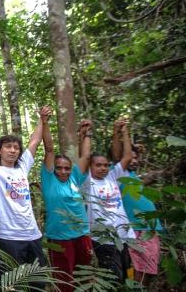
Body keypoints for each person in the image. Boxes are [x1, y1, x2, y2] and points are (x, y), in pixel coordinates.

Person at [0, 107, 48, 270]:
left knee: (37, 282)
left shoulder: (22, 167)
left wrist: (42, 119)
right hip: (7, 237)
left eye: (16, 147)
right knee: (10, 284)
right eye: (8, 146)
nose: (13, 150)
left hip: (33, 235)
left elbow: (35, 141)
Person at [41, 116, 93, 292]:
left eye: (66, 168)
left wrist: (86, 133)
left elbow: (86, 155)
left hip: (82, 235)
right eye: (59, 167)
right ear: (53, 168)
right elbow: (49, 149)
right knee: (64, 283)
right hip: (59, 238)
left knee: (84, 278)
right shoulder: (49, 179)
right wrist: (45, 122)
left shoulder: (75, 178)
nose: (63, 171)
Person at [83, 119, 135, 283]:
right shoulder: (87, 182)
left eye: (105, 165)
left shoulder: (113, 177)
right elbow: (84, 157)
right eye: (98, 165)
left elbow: (126, 156)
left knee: (129, 274)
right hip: (104, 239)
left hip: (125, 235)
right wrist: (86, 134)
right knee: (114, 278)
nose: (103, 168)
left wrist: (123, 131)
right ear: (91, 167)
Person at [112, 124, 163, 287]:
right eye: (130, 158)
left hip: (150, 227)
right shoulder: (119, 173)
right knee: (136, 267)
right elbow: (120, 153)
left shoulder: (134, 176)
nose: (133, 160)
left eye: (135, 158)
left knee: (149, 267)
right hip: (135, 228)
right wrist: (121, 132)